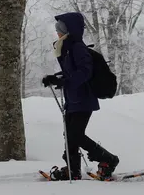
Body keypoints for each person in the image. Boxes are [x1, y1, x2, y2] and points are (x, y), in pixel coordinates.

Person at [42, 12, 119, 181]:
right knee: (69, 134)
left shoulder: (77, 47)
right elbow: (71, 72)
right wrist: (55, 79)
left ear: (69, 30)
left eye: (60, 29)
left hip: (84, 98)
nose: (58, 32)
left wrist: (66, 82)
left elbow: (85, 71)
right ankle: (73, 169)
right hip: (73, 99)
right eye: (57, 29)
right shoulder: (67, 48)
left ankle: (108, 159)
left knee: (75, 134)